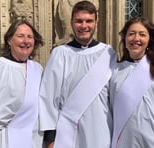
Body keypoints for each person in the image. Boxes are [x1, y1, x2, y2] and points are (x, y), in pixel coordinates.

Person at [39, 1, 117, 148]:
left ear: (96, 23)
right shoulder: (60, 54)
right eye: (79, 21)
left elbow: (115, 97)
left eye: (89, 21)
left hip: (101, 131)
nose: (84, 26)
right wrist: (50, 138)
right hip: (67, 132)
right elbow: (48, 98)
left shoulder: (108, 53)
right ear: (71, 22)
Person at [110, 17, 154, 148]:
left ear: (149, 40)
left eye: (142, 34)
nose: (136, 38)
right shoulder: (116, 71)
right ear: (125, 40)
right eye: (131, 34)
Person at [0, 19, 44, 148]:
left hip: (31, 139)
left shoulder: (37, 69)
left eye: (30, 37)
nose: (26, 41)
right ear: (9, 40)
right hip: (0, 139)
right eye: (20, 36)